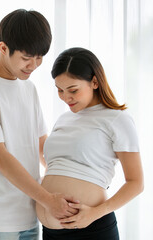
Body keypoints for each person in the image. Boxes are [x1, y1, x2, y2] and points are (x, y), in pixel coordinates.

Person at [0, 9, 79, 240]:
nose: (33, 65)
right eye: (26, 58)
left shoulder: (28, 88)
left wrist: (71, 181)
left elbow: (42, 146)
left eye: (40, 57)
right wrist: (48, 200)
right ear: (3, 48)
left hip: (30, 214)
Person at [36, 47, 144, 240]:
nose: (65, 97)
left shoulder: (117, 119)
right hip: (51, 232)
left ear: (94, 81)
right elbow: (58, 164)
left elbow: (136, 183)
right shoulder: (64, 119)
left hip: (91, 228)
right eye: (60, 90)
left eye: (73, 90)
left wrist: (94, 213)